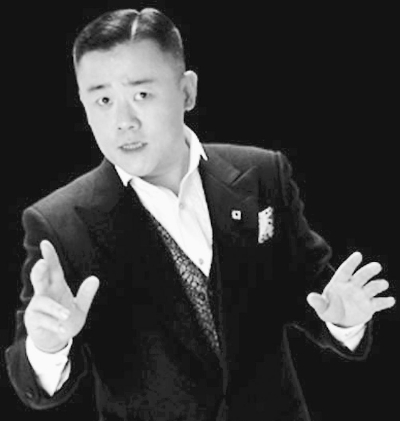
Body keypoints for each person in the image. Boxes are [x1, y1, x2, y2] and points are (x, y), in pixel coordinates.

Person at [5, 7, 396, 421]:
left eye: (141, 95)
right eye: (102, 100)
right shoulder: (60, 223)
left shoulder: (263, 175)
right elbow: (34, 382)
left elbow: (311, 290)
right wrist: (47, 344)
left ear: (187, 91)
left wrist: (344, 322)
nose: (123, 121)